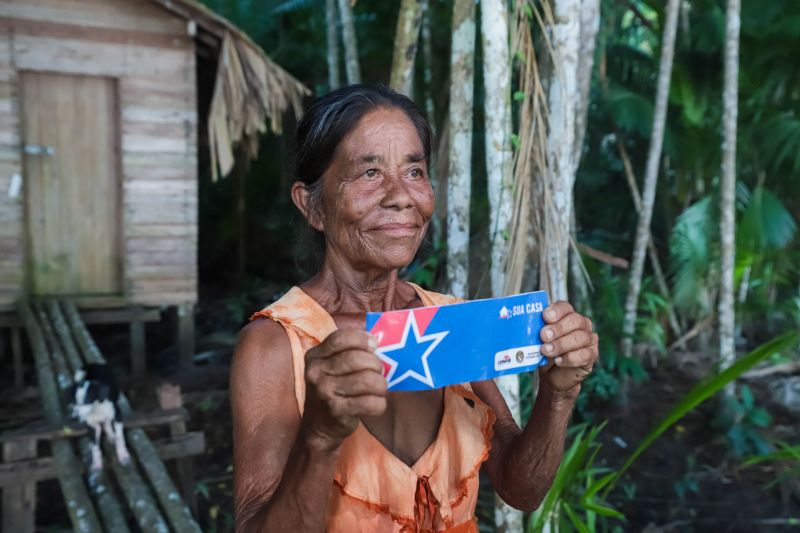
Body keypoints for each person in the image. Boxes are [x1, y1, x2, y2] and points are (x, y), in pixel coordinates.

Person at [231, 85, 599, 532]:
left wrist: (558, 394)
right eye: (369, 172)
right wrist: (321, 436)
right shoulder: (275, 345)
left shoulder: (447, 321)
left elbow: (520, 490)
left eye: (415, 171)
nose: (401, 196)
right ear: (312, 205)